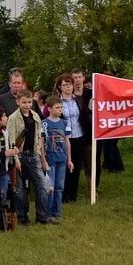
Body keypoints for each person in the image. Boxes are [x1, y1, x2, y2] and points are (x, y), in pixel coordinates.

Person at [7, 89, 56, 225]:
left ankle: (43, 216)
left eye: (29, 102)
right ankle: (22, 218)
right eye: (24, 102)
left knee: (42, 185)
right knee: (20, 190)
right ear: (18, 102)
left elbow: (39, 137)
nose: (27, 105)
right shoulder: (12, 118)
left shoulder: (35, 116)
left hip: (33, 155)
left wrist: (41, 157)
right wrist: (15, 160)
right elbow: (11, 141)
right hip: (19, 155)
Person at [55, 73, 86, 203]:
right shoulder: (57, 101)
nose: (68, 87)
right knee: (65, 165)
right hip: (64, 137)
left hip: (78, 136)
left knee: (77, 165)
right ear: (60, 87)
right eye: (65, 85)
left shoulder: (77, 100)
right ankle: (63, 194)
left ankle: (73, 195)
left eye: (70, 84)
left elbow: (83, 115)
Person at [43, 96, 73, 220]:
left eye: (61, 107)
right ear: (49, 109)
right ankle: (48, 213)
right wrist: (43, 159)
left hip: (62, 158)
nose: (60, 110)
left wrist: (69, 159)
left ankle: (57, 212)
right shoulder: (44, 123)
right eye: (57, 107)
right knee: (50, 187)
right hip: (50, 158)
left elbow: (67, 142)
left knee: (60, 187)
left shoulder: (64, 123)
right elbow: (41, 141)